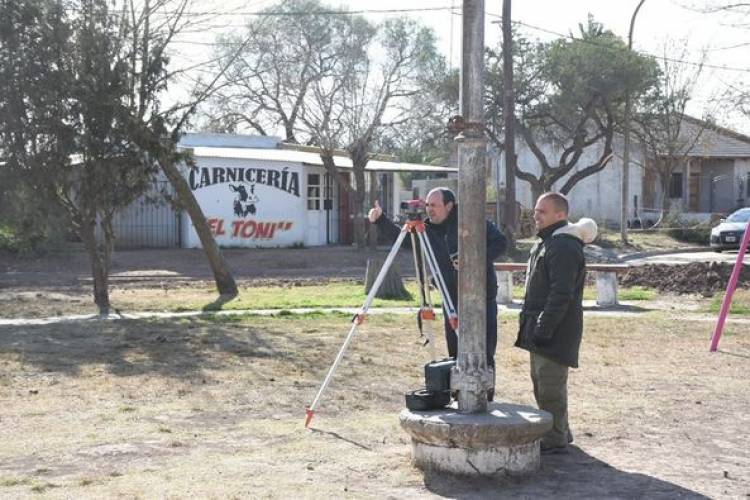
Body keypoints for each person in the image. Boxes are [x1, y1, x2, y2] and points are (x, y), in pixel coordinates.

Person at [368, 187, 507, 378]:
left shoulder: (471, 221)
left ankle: (484, 397)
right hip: (450, 298)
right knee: (456, 353)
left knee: (482, 354)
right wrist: (381, 220)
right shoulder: (427, 229)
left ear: (449, 206)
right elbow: (408, 241)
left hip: (480, 297)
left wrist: (473, 261)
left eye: (434, 205)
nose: (429, 209)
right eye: (427, 205)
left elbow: (501, 243)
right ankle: (459, 395)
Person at [514, 191, 597, 453]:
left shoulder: (562, 245)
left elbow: (561, 293)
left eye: (542, 211)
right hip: (542, 328)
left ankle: (554, 439)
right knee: (542, 383)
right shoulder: (549, 241)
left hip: (554, 330)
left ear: (560, 215)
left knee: (550, 387)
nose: (536, 215)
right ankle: (560, 432)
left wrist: (544, 326)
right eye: (536, 210)